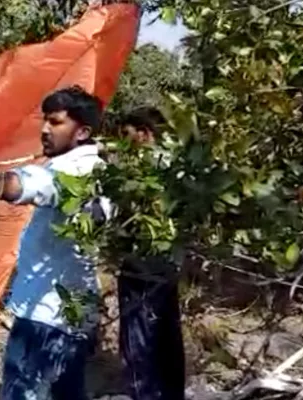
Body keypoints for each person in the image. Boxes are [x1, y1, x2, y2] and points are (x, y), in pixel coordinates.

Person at [0, 86, 113, 400]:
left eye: (56, 122)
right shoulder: (101, 170)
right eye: (45, 121)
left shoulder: (70, 173)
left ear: (82, 132)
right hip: (72, 315)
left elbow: (24, 186)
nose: (45, 130)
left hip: (44, 315)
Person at [116, 107, 185, 400]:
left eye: (125, 135)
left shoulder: (141, 172)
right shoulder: (181, 168)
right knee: (167, 339)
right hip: (167, 268)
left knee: (139, 344)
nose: (121, 143)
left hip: (140, 270)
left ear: (144, 133)